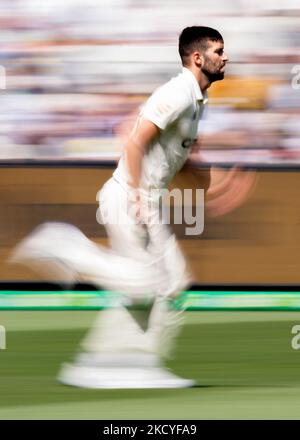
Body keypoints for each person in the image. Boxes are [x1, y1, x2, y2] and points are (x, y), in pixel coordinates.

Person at [11, 26, 228, 388]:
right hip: (130, 198)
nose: (225, 57)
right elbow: (134, 138)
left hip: (146, 199)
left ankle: (118, 363)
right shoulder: (178, 92)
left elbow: (180, 156)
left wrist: (213, 186)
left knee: (171, 283)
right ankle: (64, 248)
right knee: (147, 286)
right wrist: (136, 194)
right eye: (218, 51)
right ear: (197, 58)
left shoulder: (196, 99)